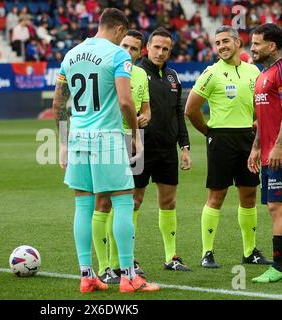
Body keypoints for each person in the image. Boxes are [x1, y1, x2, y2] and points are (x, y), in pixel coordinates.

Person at [52, 8, 159, 293]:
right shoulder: (118, 55)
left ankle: (87, 275)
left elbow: (58, 105)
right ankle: (128, 276)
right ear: (121, 30)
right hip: (108, 138)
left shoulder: (71, 55)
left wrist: (63, 142)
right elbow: (125, 102)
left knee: (83, 206)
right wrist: (136, 135)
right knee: (124, 202)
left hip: (77, 138)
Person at [185, 26, 272, 268]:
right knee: (217, 195)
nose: (221, 46)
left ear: (237, 42)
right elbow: (190, 109)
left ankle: (249, 252)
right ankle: (207, 253)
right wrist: (209, 132)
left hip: (247, 138)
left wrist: (256, 120)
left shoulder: (253, 71)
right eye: (217, 42)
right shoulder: (211, 73)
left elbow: (261, 105)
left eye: (225, 41)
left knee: (249, 195)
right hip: (220, 139)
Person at [91, 30, 151, 284]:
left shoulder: (140, 75)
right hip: (109, 139)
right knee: (103, 203)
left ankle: (120, 264)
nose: (128, 51)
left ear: (140, 53)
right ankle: (104, 267)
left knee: (131, 202)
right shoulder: (107, 66)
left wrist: (146, 116)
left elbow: (145, 107)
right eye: (124, 44)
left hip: (132, 141)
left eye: (134, 48)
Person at [249, 23, 282, 283]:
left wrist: (279, 146)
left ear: (271, 46)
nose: (252, 47)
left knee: (276, 207)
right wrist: (257, 146)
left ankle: (278, 269)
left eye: (257, 43)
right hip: (271, 152)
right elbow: (263, 118)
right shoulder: (262, 75)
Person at [134, 27, 192, 271]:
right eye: (156, 47)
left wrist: (185, 146)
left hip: (167, 150)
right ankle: (129, 259)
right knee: (134, 202)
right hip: (139, 149)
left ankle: (171, 257)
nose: (160, 52)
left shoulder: (172, 78)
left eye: (165, 49)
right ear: (147, 48)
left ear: (170, 52)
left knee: (168, 202)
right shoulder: (135, 73)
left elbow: (178, 113)